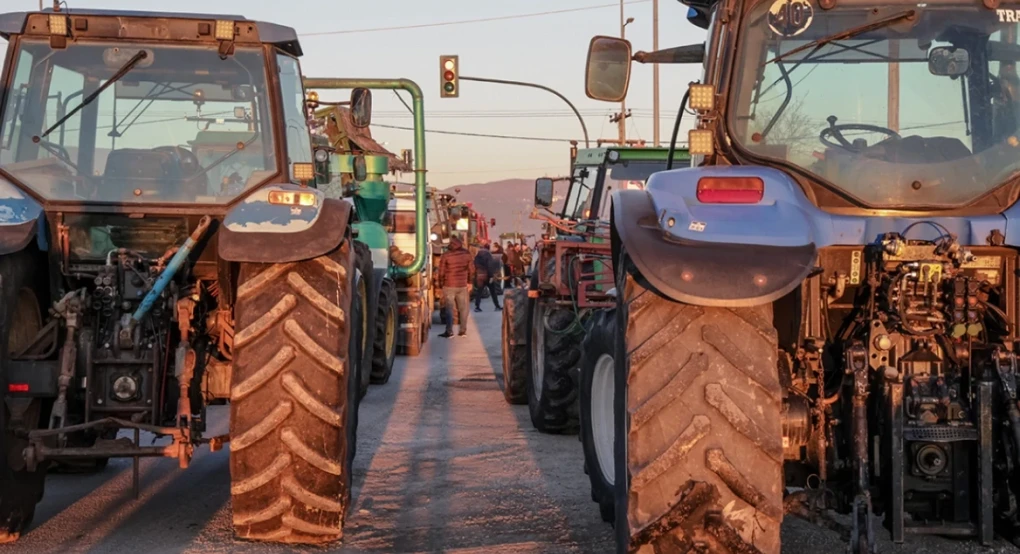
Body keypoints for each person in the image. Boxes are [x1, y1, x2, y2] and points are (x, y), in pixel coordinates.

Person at [437, 234, 474, 338]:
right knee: (463, 308)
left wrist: (441, 284)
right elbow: (472, 270)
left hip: (449, 285)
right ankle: (463, 331)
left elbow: (441, 272)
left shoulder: (446, 255)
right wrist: (470, 282)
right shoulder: (467, 254)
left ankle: (449, 331)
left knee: (449, 308)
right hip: (462, 285)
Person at [473, 242, 502, 312]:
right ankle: (497, 306)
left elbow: (475, 265)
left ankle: (477, 307)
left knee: (479, 292)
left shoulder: (477, 256)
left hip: (479, 275)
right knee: (493, 291)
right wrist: (491, 276)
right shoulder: (488, 255)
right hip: (487, 276)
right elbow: (490, 266)